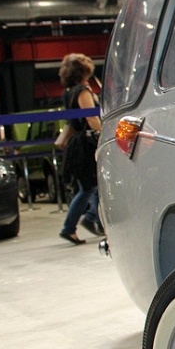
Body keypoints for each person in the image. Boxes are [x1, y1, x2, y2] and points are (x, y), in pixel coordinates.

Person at [58, 53, 102, 245]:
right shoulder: (83, 91)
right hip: (86, 144)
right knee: (90, 187)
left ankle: (93, 220)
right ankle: (73, 226)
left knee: (92, 186)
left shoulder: (68, 92)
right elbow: (91, 119)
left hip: (76, 143)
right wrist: (104, 133)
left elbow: (71, 123)